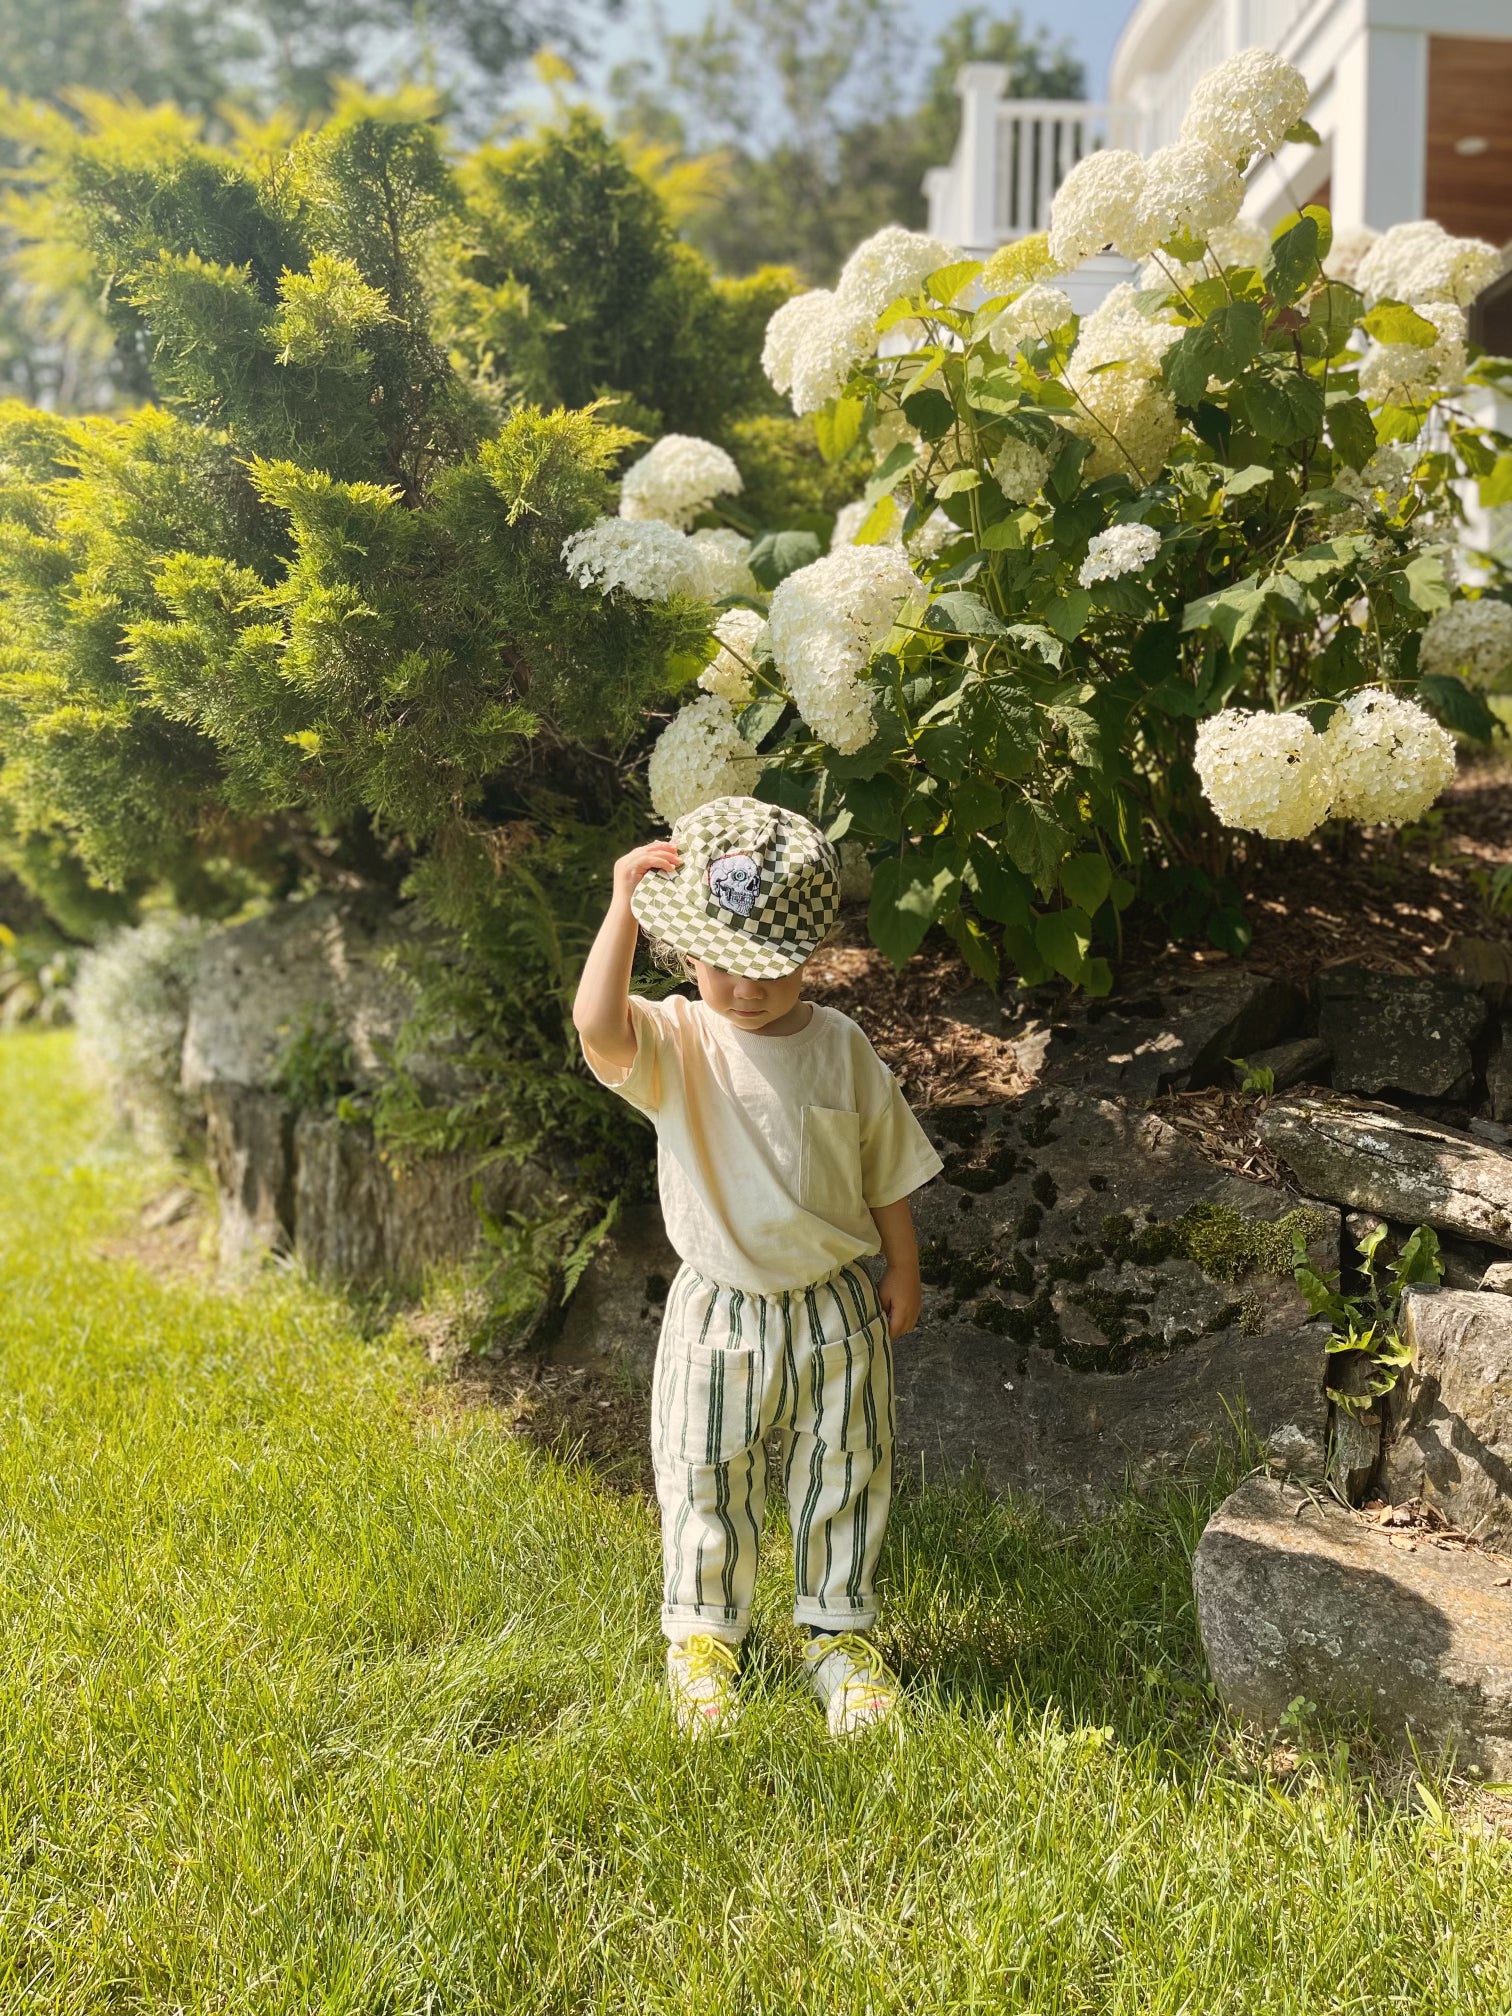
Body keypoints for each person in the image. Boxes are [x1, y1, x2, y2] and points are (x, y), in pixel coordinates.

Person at [572, 795, 942, 1739]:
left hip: (835, 1313)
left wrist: (902, 1262)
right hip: (719, 1313)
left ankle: (837, 1630)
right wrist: (623, 900)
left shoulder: (841, 1049)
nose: (743, 989)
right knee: (706, 1475)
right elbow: (596, 1027)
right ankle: (703, 1635)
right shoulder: (677, 1043)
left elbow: (884, 1165)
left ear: (808, 955)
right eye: (719, 964)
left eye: (768, 969)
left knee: (847, 1468)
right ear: (684, 954)